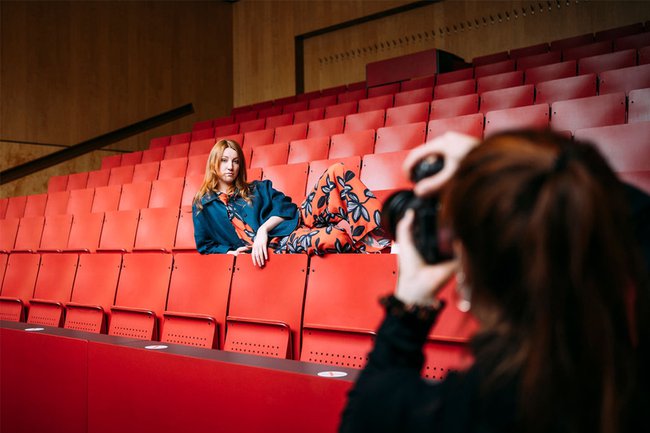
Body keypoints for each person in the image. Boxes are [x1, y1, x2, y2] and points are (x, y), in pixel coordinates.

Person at [339, 130, 650, 433]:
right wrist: (517, 177)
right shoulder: (627, 379)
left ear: (470, 280)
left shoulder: (464, 412)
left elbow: (365, 412)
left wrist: (410, 304)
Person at [192, 139, 390, 265]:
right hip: (282, 244)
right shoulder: (203, 205)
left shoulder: (257, 188)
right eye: (225, 160)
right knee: (336, 237)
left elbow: (287, 207)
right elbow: (206, 246)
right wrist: (230, 252)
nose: (231, 167)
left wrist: (263, 230)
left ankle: (387, 243)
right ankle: (372, 257)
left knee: (337, 170)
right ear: (214, 163)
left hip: (299, 218)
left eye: (235, 161)